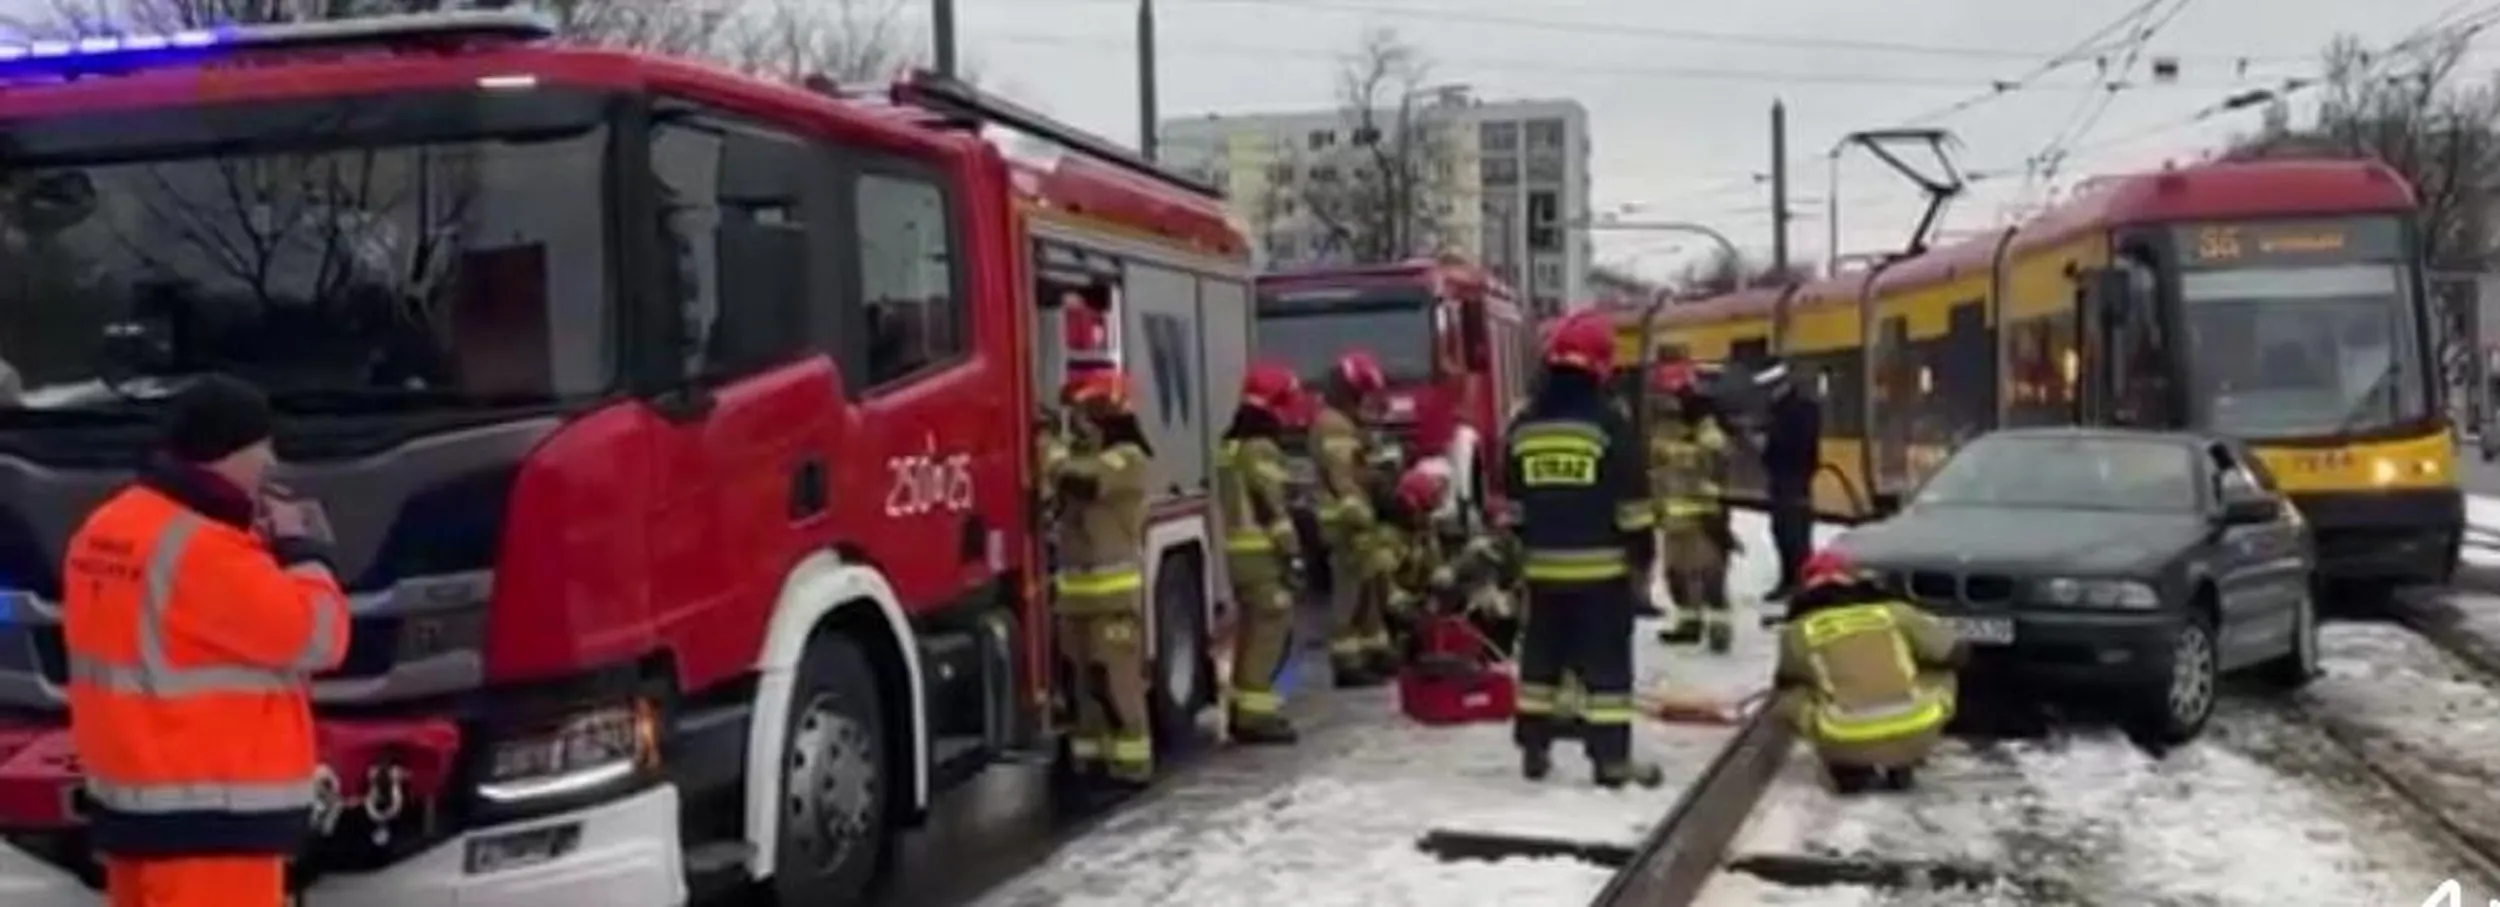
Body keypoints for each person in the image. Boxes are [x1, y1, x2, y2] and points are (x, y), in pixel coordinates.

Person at [63, 374, 349, 907]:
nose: (270, 465)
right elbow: (320, 637)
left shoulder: (106, 527)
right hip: (213, 821)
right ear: (228, 453)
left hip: (132, 806)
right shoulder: (205, 551)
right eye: (263, 450)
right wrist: (304, 550)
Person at [1505, 311, 1664, 789]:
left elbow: (1512, 505)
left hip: (1542, 573)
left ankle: (1534, 749)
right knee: (1606, 668)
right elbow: (1633, 503)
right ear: (1599, 365)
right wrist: (1642, 556)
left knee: (1540, 662)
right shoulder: (1608, 423)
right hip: (1601, 575)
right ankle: (1610, 759)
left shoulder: (1525, 425)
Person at [1044, 369, 1158, 784]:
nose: (1080, 423)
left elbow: (1085, 481)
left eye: (1085, 413)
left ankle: (1132, 764)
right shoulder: (1084, 455)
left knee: (1116, 683)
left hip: (1112, 598)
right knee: (1082, 685)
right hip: (1075, 599)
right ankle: (1090, 760)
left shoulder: (1127, 457)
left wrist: (1050, 453)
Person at [1773, 549, 1962, 794]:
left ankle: (1848, 766)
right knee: (1940, 669)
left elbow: (1786, 680)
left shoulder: (1797, 631)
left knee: (1792, 694)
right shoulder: (1893, 612)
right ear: (1854, 579)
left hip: (1843, 738)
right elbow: (1952, 652)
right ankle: (1904, 759)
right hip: (1916, 729)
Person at [1215, 363, 1308, 745]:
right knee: (1269, 630)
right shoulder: (1260, 447)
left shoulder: (1232, 445)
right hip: (1261, 553)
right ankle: (1255, 716)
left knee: (1252, 630)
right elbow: (1270, 504)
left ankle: (1244, 709)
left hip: (1239, 554)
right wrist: (1293, 553)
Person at [1312, 351, 1396, 687]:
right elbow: (1342, 476)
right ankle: (1346, 663)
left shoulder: (1345, 423)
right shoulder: (1333, 425)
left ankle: (1373, 653)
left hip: (1358, 518)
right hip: (1345, 522)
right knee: (1349, 594)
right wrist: (1358, 511)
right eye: (1361, 394)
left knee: (1367, 588)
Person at [1649, 361, 1740, 652]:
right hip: (1674, 515)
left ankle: (1719, 630)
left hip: (1704, 516)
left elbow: (1719, 456)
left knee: (1711, 576)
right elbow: (1657, 468)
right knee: (1677, 575)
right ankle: (1689, 624)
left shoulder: (1706, 424)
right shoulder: (1662, 429)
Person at [1756, 359, 1821, 601]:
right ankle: (1789, 580)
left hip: (1794, 479)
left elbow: (1798, 446)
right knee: (1782, 531)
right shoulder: (1778, 409)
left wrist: (1768, 444)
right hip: (1782, 479)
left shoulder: (1799, 409)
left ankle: (1800, 582)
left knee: (1794, 533)